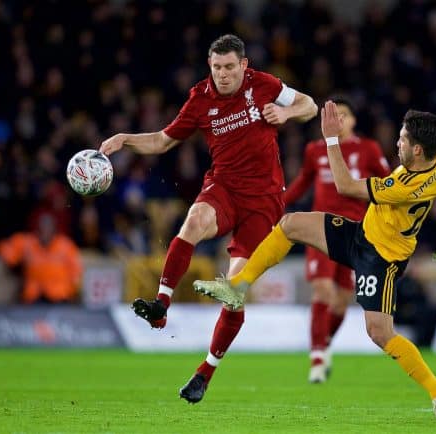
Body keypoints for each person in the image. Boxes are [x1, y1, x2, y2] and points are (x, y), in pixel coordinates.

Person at [194, 101, 436, 419]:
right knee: (290, 225)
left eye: (403, 140)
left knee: (379, 333)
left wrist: (331, 139)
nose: (397, 143)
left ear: (417, 150)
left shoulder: (403, 187)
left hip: (382, 259)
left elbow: (345, 186)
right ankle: (238, 286)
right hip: (362, 235)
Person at [99, 34, 317, 403]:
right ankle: (161, 306)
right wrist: (124, 138)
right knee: (194, 221)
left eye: (230, 67)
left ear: (244, 65)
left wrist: (287, 112)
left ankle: (205, 372)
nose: (223, 75)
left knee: (234, 295)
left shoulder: (264, 85)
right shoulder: (200, 99)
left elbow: (310, 104)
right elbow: (163, 141)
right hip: (224, 189)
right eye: (216, 68)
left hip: (263, 204)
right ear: (209, 67)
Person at [283, 96, 390, 383]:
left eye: (343, 115)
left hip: (356, 233)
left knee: (342, 301)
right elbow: (303, 182)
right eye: (333, 116)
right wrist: (277, 203)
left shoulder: (368, 149)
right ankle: (317, 356)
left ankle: (325, 342)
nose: (338, 120)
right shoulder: (314, 150)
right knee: (323, 292)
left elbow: (389, 183)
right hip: (321, 230)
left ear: (353, 120)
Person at [0, 213, 82, 303]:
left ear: (54, 231)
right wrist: (14, 261)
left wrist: (73, 291)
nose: (45, 233)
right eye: (42, 229)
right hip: (34, 297)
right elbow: (4, 247)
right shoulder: (28, 243)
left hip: (60, 297)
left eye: (48, 229)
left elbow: (76, 272)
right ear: (37, 230)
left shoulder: (65, 246)